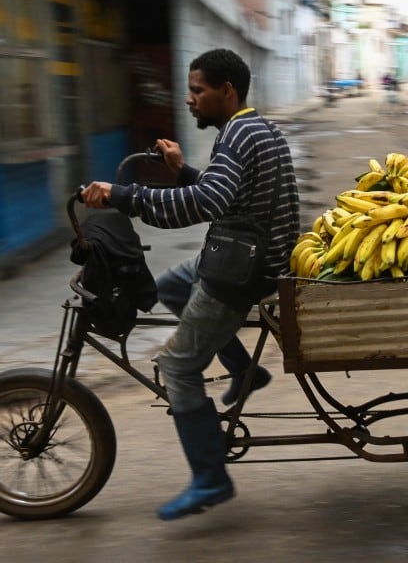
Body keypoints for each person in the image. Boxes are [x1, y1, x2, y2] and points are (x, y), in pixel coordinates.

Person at [81, 48, 301, 518]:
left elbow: (205, 204)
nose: (189, 99)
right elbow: (227, 195)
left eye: (198, 91)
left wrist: (123, 195)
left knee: (178, 367)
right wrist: (180, 170)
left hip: (242, 273)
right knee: (172, 287)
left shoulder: (239, 134)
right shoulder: (254, 127)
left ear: (227, 91)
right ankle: (245, 372)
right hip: (244, 257)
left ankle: (210, 479)